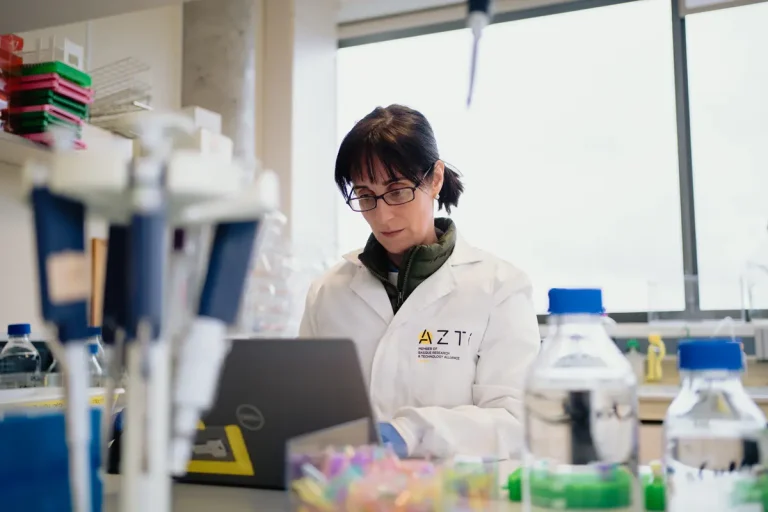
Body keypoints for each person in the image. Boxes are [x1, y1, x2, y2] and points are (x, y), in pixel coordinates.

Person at [299, 104, 540, 459]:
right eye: (365, 196)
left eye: (397, 191)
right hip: (352, 485)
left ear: (435, 179)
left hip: (455, 488)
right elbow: (305, 408)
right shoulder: (328, 292)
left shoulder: (499, 287)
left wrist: (411, 433)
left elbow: (514, 420)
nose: (382, 215)